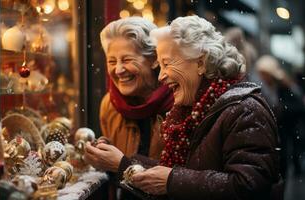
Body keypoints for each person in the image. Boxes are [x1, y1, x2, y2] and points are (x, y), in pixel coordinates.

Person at [86, 15, 281, 200]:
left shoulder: (244, 110)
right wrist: (127, 166)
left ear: (201, 63)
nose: (161, 76)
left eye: (166, 64)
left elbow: (250, 187)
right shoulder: (198, 107)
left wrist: (171, 181)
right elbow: (177, 175)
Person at [85, 17, 173, 199]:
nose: (118, 70)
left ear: (154, 59)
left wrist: (122, 164)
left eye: (126, 59)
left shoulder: (180, 101)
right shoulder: (109, 104)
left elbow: (180, 178)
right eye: (111, 61)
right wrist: (102, 154)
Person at [255, 55, 305, 177]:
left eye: (264, 74)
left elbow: (298, 106)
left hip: (285, 128)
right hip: (275, 129)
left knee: (283, 159)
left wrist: (282, 109)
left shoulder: (283, 86)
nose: (262, 77)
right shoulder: (264, 87)